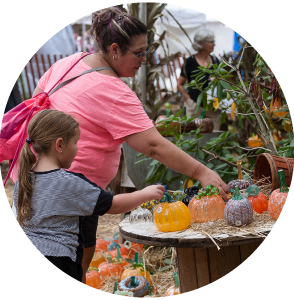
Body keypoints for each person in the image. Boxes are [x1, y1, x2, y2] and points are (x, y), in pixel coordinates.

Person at [28, 7, 229, 282]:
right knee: (70, 264)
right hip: (77, 192)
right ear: (114, 49)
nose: (145, 60)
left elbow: (34, 106)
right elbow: (153, 147)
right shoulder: (113, 90)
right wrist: (201, 172)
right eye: (138, 53)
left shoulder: (69, 62)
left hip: (37, 178)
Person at [13, 109, 165, 282]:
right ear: (60, 145)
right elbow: (113, 205)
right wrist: (145, 194)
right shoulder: (68, 182)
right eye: (76, 142)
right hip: (60, 261)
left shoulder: (23, 179)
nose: (77, 148)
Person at [177, 29, 221, 127]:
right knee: (191, 136)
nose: (214, 44)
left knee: (213, 137)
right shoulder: (190, 62)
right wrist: (188, 100)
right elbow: (180, 84)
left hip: (212, 108)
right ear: (201, 43)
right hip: (193, 107)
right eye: (211, 42)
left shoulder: (216, 61)